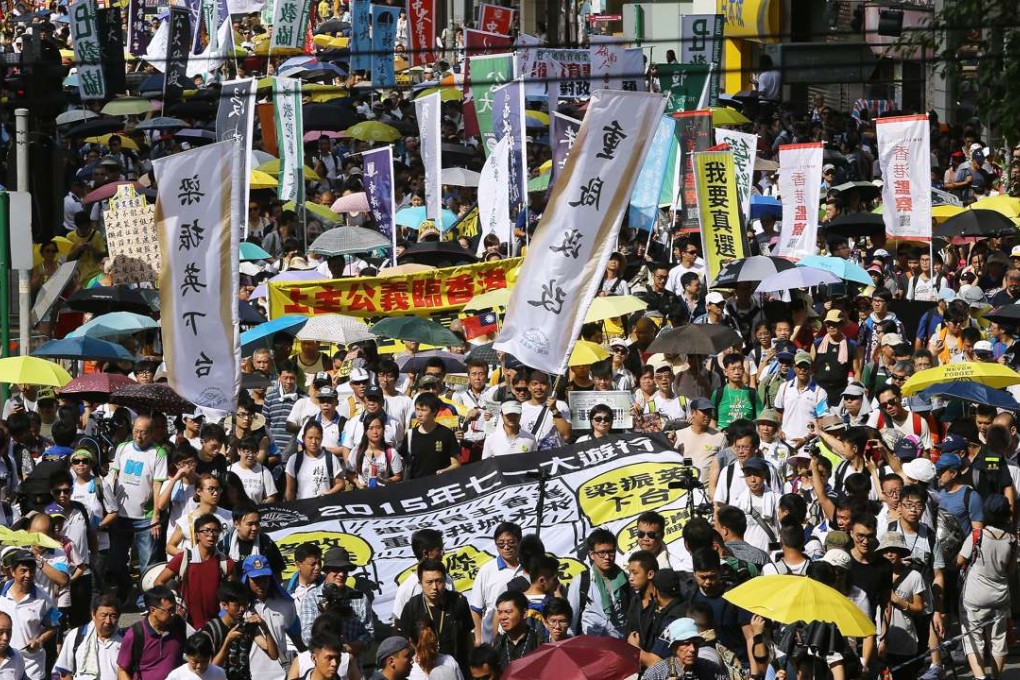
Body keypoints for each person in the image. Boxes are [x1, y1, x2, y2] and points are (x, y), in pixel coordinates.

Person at [957, 493, 1016, 680]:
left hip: (974, 596)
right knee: (998, 642)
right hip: (999, 596)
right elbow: (1011, 570)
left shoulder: (977, 535)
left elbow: (959, 560)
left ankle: (980, 677)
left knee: (973, 638)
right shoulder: (1012, 540)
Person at [156, 512, 235, 630]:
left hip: (216, 626)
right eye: (206, 531)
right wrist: (174, 606)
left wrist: (222, 618)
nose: (211, 535)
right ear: (197, 535)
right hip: (186, 625)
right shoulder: (183, 558)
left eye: (215, 531)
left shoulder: (226, 563)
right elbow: (158, 582)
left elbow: (231, 598)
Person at [397, 559, 473, 669]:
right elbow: (405, 641)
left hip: (456, 667)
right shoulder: (412, 606)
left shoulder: (458, 602)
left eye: (439, 581)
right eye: (429, 582)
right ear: (420, 583)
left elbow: (468, 636)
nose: (434, 587)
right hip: (425, 669)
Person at [0, 550, 60, 680]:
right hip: (5, 663)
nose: (28, 575)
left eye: (32, 571)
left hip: (31, 664)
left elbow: (55, 624)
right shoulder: (1, 593)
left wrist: (39, 641)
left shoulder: (44, 598)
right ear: (12, 571)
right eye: (23, 570)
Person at [199, 581, 276, 679]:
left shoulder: (246, 626)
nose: (242, 609)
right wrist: (227, 642)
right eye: (237, 605)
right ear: (224, 605)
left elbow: (273, 655)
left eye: (244, 604)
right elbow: (209, 671)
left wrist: (265, 628)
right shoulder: (211, 630)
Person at [876, 532, 927, 680]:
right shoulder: (877, 574)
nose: (890, 554)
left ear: (900, 553)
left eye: (894, 550)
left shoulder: (914, 576)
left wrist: (898, 600)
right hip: (880, 639)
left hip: (905, 641)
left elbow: (919, 608)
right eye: (886, 550)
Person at [567, 528, 631, 638]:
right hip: (590, 647)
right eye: (602, 553)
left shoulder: (625, 580)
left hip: (618, 645)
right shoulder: (582, 581)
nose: (607, 557)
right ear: (592, 554)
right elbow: (571, 620)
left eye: (611, 552)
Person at [117, 586, 187, 680]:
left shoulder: (179, 625)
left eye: (174, 608)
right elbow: (122, 670)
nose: (173, 613)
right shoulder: (135, 634)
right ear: (153, 610)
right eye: (169, 610)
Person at [469, 522, 523, 644]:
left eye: (511, 542)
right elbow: (475, 609)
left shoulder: (528, 568)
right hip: (494, 641)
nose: (506, 547)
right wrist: (478, 640)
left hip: (524, 637)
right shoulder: (487, 570)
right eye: (501, 543)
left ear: (519, 542)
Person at [54, 594, 122, 680]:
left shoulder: (125, 640)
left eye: (113, 616)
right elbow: (65, 673)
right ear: (93, 615)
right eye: (104, 615)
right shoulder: (76, 636)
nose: (108, 621)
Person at [640, 618, 727, 680]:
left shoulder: (711, 670)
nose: (692, 649)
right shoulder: (656, 673)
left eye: (695, 643)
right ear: (674, 647)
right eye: (686, 644)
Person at [400, 392, 461, 478]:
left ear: (434, 411)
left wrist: (443, 471)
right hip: (416, 486)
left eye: (424, 410)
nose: (419, 414)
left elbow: (456, 464)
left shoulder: (446, 434)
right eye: (417, 409)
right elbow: (404, 463)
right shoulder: (410, 435)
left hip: (440, 485)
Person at [285, 421, 346, 500]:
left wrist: (327, 494)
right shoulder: (294, 459)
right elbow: (290, 490)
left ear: (322, 439)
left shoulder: (330, 458)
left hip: (325, 508)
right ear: (303, 438)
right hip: (302, 508)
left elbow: (340, 484)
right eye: (310, 438)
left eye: (317, 438)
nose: (313, 442)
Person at [490, 591, 545, 665]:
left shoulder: (539, 643)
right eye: (500, 612)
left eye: (508, 612)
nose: (503, 617)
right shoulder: (498, 645)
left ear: (524, 613)